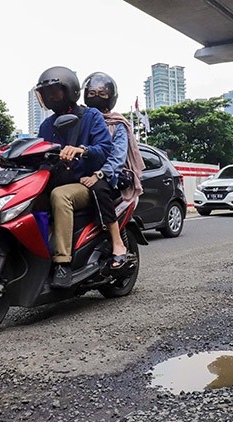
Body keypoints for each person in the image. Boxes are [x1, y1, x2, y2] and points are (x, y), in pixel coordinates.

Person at [34, 66, 113, 288]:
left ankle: (62, 262)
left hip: (83, 183)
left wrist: (83, 150)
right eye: (47, 93)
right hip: (55, 180)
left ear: (70, 90)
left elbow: (105, 148)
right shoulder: (46, 125)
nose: (51, 97)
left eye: (55, 92)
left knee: (60, 196)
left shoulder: (91, 116)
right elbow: (38, 152)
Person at [81, 71, 145, 269]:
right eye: (92, 92)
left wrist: (99, 174)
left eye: (102, 93)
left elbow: (117, 157)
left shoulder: (117, 124)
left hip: (111, 175)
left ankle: (117, 243)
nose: (96, 96)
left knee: (99, 188)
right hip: (84, 173)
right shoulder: (80, 119)